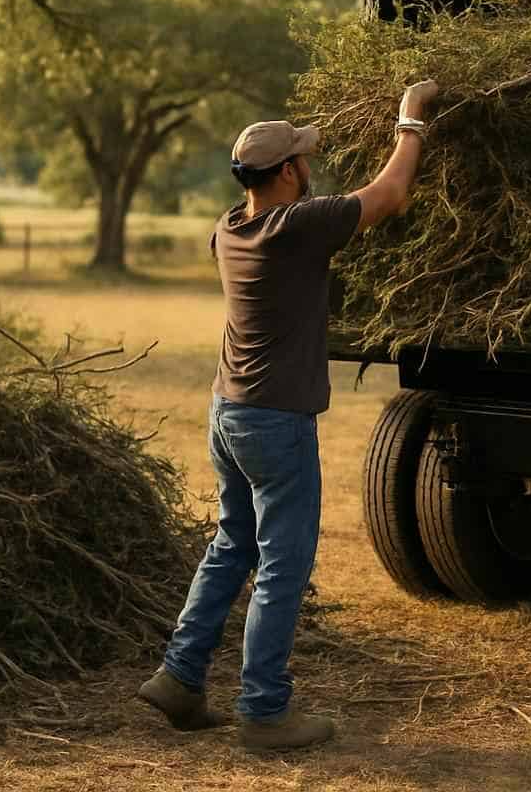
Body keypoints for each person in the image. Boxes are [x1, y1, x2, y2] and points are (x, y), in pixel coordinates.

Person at [137, 80, 438, 750]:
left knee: (232, 545)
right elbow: (388, 196)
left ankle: (180, 677)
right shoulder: (295, 226)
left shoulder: (231, 228)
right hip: (276, 420)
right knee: (282, 565)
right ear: (286, 172)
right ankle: (265, 711)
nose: (311, 166)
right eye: (302, 158)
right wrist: (410, 121)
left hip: (229, 412)